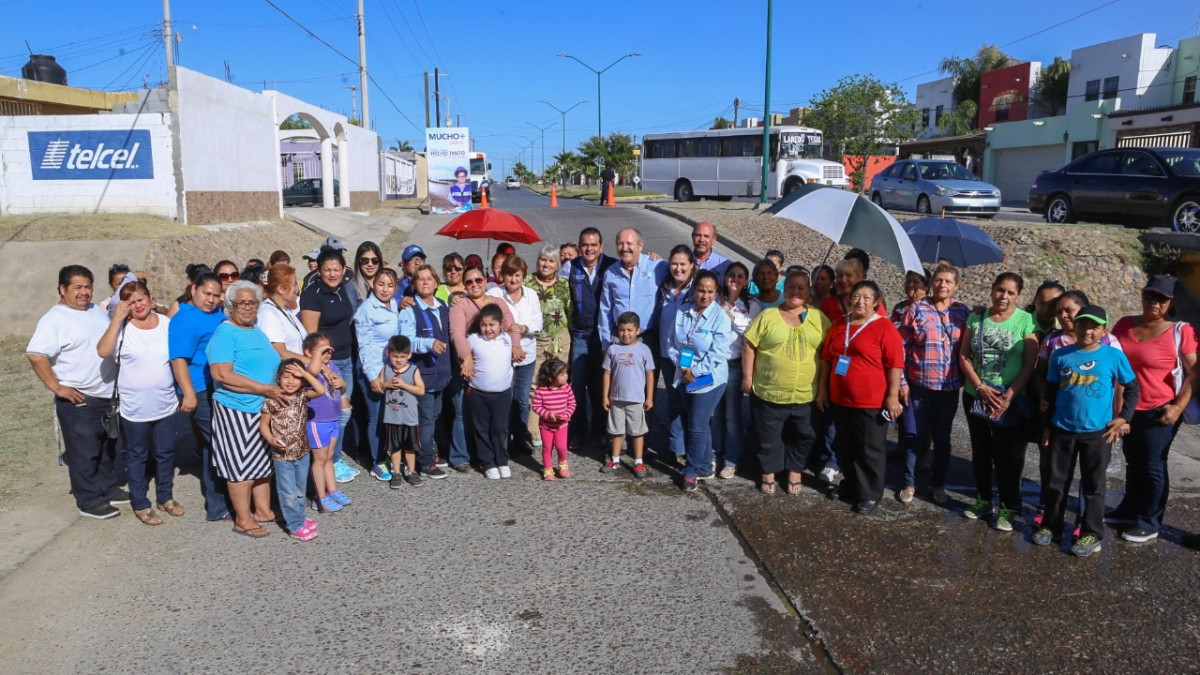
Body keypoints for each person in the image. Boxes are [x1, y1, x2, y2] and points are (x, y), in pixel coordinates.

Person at [1035, 306, 1139, 557]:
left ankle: (1091, 533)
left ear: (1104, 330)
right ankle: (1052, 526)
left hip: (1098, 433)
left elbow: (1133, 388)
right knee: (1056, 482)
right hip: (1062, 429)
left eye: (1094, 326)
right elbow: (1050, 394)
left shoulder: (1113, 356)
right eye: (1083, 324)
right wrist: (1047, 427)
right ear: (1075, 326)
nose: (1087, 330)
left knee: (1093, 485)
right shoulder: (1061, 356)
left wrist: (1123, 418)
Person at [27, 265, 124, 519]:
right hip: (79, 399)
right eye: (77, 287)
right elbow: (36, 355)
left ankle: (109, 488)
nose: (84, 292)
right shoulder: (54, 319)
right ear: (62, 289)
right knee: (84, 452)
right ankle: (89, 500)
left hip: (105, 395)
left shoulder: (93, 310)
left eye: (88, 287)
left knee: (106, 447)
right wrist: (57, 386)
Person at [1107, 274, 1196, 543]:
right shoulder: (1123, 324)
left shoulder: (1181, 331)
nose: (1153, 302)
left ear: (1171, 302)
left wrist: (1178, 407)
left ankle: (1150, 521)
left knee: (1153, 465)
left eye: (1161, 298)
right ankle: (1130, 511)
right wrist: (1118, 413)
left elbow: (1195, 372)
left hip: (1160, 409)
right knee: (1133, 461)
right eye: (1149, 296)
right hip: (1128, 410)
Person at [1032, 289, 1121, 529]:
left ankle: (1085, 521)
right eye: (1059, 311)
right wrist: (1043, 395)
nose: (1063, 315)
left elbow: (1120, 382)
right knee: (1057, 472)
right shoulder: (1052, 341)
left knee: (1092, 476)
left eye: (1068, 310)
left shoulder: (1108, 342)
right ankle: (1051, 517)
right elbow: (1040, 375)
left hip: (1096, 422)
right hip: (1061, 419)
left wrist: (1120, 417)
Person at [96, 281, 182, 526]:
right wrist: (117, 319)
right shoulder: (121, 329)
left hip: (165, 403)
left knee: (165, 453)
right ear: (124, 305)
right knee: (137, 456)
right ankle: (140, 503)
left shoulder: (165, 324)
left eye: (141, 299)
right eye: (131, 302)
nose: (138, 305)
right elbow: (103, 351)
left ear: (150, 298)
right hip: (134, 408)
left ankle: (165, 497)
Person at [958, 272, 1038, 532]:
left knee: (1005, 456)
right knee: (980, 451)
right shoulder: (976, 317)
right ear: (992, 289)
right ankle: (983, 500)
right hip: (976, 394)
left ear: (1018, 296)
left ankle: (1008, 507)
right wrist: (980, 386)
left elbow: (1030, 365)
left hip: (1008, 399)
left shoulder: (1026, 321)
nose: (1004, 296)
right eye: (1000, 290)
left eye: (1010, 293)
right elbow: (963, 355)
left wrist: (1008, 397)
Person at [206, 280, 284, 538]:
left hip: (261, 408)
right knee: (240, 466)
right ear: (230, 305)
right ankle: (243, 518)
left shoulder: (255, 329)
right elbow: (222, 374)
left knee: (261, 464)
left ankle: (262, 510)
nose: (249, 308)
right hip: (237, 409)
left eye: (253, 303)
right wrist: (265, 389)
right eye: (243, 303)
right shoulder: (225, 333)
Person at [819, 280, 903, 514]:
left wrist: (893, 397)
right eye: (856, 296)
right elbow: (827, 358)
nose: (860, 301)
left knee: (870, 449)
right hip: (841, 398)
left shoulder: (884, 328)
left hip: (871, 401)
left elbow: (895, 365)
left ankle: (871, 494)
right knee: (846, 446)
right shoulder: (839, 324)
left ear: (876, 302)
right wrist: (823, 390)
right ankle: (851, 484)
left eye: (867, 297)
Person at [744, 268, 830, 494]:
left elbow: (827, 355)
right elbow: (749, 344)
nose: (795, 292)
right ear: (785, 288)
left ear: (808, 291)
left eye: (801, 287)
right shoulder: (768, 315)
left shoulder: (819, 319)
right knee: (768, 436)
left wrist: (822, 390)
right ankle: (768, 472)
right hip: (769, 391)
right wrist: (748, 376)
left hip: (805, 394)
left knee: (804, 435)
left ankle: (795, 471)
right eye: (791, 286)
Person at [896, 262, 970, 504]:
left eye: (948, 281)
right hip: (919, 386)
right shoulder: (916, 309)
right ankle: (909, 483)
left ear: (956, 286)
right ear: (931, 283)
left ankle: (938, 485)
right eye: (939, 280)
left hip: (948, 389)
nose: (943, 285)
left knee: (942, 439)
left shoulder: (962, 312)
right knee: (913, 436)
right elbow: (902, 348)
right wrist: (903, 384)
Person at [168, 268, 233, 521]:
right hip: (200, 388)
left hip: (220, 386)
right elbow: (178, 360)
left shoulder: (217, 313)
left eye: (217, 295)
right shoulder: (185, 318)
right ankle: (219, 504)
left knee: (213, 445)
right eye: (207, 293)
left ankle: (221, 503)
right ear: (193, 289)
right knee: (219, 444)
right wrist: (188, 394)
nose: (211, 299)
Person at [666, 270, 732, 492]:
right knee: (698, 423)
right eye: (701, 290)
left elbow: (717, 354)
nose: (705, 296)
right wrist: (683, 367)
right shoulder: (683, 311)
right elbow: (671, 343)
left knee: (696, 423)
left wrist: (694, 372)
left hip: (710, 378)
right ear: (694, 290)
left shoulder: (720, 318)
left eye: (710, 291)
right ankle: (705, 466)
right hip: (684, 374)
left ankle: (691, 470)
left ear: (716, 293)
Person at [448, 265, 518, 471]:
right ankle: (461, 456)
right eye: (469, 282)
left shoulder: (498, 302)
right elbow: (457, 334)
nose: (474, 284)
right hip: (465, 365)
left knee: (497, 423)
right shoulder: (460, 304)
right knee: (463, 414)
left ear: (485, 281)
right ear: (464, 285)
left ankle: (499, 458)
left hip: (495, 372)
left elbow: (510, 326)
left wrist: (515, 345)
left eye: (478, 280)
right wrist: (467, 358)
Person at [300, 246, 360, 483]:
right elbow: (311, 337)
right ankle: (329, 461)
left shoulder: (344, 288)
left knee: (342, 411)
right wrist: (323, 367)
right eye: (327, 269)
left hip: (346, 358)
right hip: (328, 363)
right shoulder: (312, 294)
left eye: (337, 269)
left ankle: (333, 458)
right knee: (336, 413)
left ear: (344, 270)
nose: (332, 274)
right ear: (319, 270)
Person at [260, 359, 326, 542]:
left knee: (299, 489)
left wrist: (304, 374)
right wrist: (271, 439)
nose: (290, 381)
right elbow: (263, 425)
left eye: (295, 378)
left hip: (303, 452)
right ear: (278, 378)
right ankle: (295, 525)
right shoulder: (272, 400)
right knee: (287, 492)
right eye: (286, 377)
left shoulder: (302, 395)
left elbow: (321, 390)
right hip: (282, 456)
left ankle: (300, 516)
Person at [564, 227, 618, 448]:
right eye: (585, 244)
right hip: (580, 335)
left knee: (601, 387)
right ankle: (577, 432)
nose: (589, 248)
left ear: (601, 247)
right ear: (579, 247)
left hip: (605, 337)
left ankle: (600, 430)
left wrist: (652, 257)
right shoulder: (570, 267)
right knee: (577, 387)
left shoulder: (612, 266)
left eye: (594, 244)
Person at [398, 265, 451, 479]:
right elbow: (406, 341)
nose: (426, 282)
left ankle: (431, 452)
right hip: (423, 375)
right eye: (421, 279)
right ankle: (425, 461)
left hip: (441, 373)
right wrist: (429, 343)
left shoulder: (443, 306)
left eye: (430, 278)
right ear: (414, 284)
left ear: (437, 283)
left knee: (436, 415)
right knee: (426, 419)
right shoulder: (409, 310)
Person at [488, 255, 542, 452]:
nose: (513, 280)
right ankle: (503, 440)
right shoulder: (494, 293)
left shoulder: (531, 295)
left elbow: (538, 323)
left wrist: (523, 327)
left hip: (526, 355)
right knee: (505, 398)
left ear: (523, 276)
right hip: (503, 356)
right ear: (502, 276)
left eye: (517, 275)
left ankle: (520, 437)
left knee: (521, 399)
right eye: (509, 275)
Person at [713, 262, 758, 479]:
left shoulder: (752, 305)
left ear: (746, 281)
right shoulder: (715, 299)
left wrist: (731, 318)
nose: (735, 279)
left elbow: (750, 332)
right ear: (724, 277)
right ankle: (713, 454)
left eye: (740, 276)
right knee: (715, 413)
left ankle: (731, 460)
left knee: (732, 415)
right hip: (713, 364)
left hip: (734, 365)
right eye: (732, 275)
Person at [355, 268, 400, 481]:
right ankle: (377, 461)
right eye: (381, 284)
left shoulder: (395, 305)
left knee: (386, 415)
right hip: (371, 369)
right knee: (376, 416)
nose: (385, 289)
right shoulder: (367, 309)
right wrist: (373, 376)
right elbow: (364, 346)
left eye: (390, 285)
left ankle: (385, 454)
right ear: (374, 285)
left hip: (390, 368)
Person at [525, 245, 572, 448]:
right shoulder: (527, 282)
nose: (546, 264)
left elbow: (569, 312)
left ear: (557, 265)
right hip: (535, 340)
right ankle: (533, 429)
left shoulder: (563, 284)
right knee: (535, 384)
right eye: (543, 259)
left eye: (551, 261)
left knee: (556, 382)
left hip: (559, 339)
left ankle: (558, 423)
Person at [602, 311, 656, 477]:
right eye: (622, 330)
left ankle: (639, 462)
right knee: (616, 431)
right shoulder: (612, 349)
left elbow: (650, 374)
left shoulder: (644, 349)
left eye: (630, 330)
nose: (626, 334)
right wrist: (605, 396)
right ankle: (615, 459)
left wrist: (649, 397)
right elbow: (607, 374)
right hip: (616, 399)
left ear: (638, 331)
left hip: (636, 399)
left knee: (637, 431)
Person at [598, 228, 669, 353]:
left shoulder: (657, 266)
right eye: (620, 244)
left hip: (648, 339)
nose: (625, 248)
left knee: (649, 373)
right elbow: (605, 310)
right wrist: (605, 343)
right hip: (619, 339)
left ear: (640, 246)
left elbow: (680, 271)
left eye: (629, 243)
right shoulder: (610, 273)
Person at [657, 245, 697, 465]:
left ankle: (694, 448)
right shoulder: (663, 286)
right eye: (674, 263)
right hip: (665, 354)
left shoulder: (695, 291)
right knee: (674, 402)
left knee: (691, 400)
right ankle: (676, 447)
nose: (678, 268)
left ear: (692, 266)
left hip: (686, 356)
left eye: (683, 264)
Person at [468, 304, 515, 479]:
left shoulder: (508, 339)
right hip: (479, 393)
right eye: (484, 325)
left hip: (502, 394)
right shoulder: (473, 339)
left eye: (492, 325)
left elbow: (516, 330)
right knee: (482, 428)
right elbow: (463, 353)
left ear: (500, 324)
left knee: (500, 429)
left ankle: (502, 460)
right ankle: (487, 462)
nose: (487, 329)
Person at [303, 333, 348, 513]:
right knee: (319, 460)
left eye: (329, 350)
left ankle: (332, 490)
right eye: (322, 351)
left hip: (332, 419)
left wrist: (342, 383)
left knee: (329, 458)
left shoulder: (333, 367)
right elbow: (312, 372)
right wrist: (318, 359)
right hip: (317, 422)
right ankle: (319, 497)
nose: (327, 355)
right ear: (308, 352)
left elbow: (341, 389)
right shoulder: (308, 370)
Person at [380, 335, 426, 489]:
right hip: (392, 417)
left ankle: (412, 472)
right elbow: (379, 387)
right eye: (395, 356)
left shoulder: (413, 370)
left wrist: (403, 385)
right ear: (388, 354)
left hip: (409, 417)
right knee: (395, 447)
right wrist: (387, 384)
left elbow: (421, 390)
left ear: (409, 355)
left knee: (410, 447)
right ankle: (397, 473)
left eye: (402, 357)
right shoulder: (386, 369)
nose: (398, 360)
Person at [531, 358, 575, 480]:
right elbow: (536, 406)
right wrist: (547, 414)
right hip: (546, 426)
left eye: (566, 373)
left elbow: (572, 403)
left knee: (561, 446)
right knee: (547, 448)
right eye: (562, 374)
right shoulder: (541, 390)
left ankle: (562, 462)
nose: (566, 376)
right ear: (551, 378)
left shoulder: (566, 388)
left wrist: (567, 413)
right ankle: (547, 468)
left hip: (561, 425)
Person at [257, 265, 306, 361]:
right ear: (281, 289)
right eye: (294, 284)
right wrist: (313, 362)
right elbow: (279, 352)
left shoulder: (285, 310)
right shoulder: (268, 314)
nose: (297, 289)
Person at [351, 241, 384, 305]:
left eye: (375, 261)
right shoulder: (351, 287)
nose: (370, 264)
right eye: (365, 261)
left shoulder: (387, 283)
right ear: (358, 262)